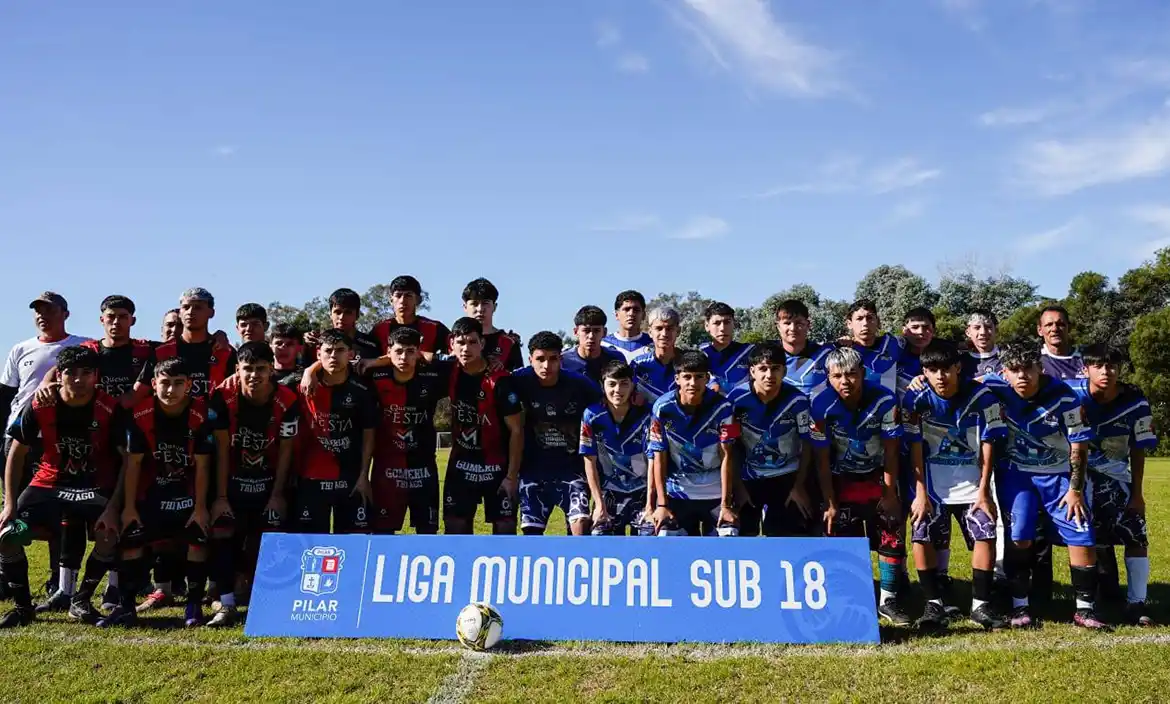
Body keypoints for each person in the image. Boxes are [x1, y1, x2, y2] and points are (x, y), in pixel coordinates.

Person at [983, 343, 1107, 629]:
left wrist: (1075, 488)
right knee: (1020, 535)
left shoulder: (1064, 396)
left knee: (1081, 532)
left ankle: (1085, 609)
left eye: (1028, 368)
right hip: (1016, 474)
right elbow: (961, 383)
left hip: (1060, 473)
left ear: (1040, 368)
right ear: (1005, 373)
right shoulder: (995, 387)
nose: (1022, 376)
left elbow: (1079, 445)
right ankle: (1019, 606)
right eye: (1014, 370)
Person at [0, 347, 125, 628]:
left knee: (109, 534)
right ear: (60, 374)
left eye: (86, 373)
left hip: (92, 487)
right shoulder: (40, 403)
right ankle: (23, 607)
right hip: (49, 484)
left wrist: (115, 508)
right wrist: (10, 504)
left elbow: (129, 461)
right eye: (70, 373)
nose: (78, 379)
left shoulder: (110, 407)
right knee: (8, 535)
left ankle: (80, 600)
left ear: (96, 376)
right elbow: (16, 454)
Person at [902, 341, 1007, 631]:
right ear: (924, 371)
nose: (940, 376)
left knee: (985, 532)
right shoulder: (916, 398)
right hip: (933, 485)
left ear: (958, 368)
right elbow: (914, 446)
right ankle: (933, 603)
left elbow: (988, 445)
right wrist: (920, 492)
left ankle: (981, 605)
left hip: (973, 484)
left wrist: (985, 491)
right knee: (921, 533)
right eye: (932, 370)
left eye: (946, 369)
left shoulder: (983, 397)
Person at [102, 358, 214, 628]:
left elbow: (202, 466)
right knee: (130, 535)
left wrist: (200, 507)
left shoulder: (202, 414)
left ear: (189, 385)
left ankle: (194, 603)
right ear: (153, 384)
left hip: (187, 493)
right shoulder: (141, 414)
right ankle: (127, 606)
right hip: (151, 493)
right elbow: (133, 464)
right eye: (165, 383)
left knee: (198, 536)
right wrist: (128, 507)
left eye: (178, 384)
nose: (171, 390)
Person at [810, 347, 910, 626]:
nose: (845, 381)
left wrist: (890, 493)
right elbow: (822, 459)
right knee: (844, 540)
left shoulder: (885, 400)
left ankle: (889, 600)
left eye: (852, 374)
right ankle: (852, 598)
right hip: (841, 478)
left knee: (890, 535)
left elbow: (891, 451)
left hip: (878, 475)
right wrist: (830, 502)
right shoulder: (820, 406)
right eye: (838, 376)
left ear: (863, 373)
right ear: (828, 378)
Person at [0, 292, 88, 603]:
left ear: (65, 313)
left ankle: (58, 579)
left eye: (49, 310)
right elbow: (6, 394)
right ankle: (7, 578)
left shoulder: (81, 346)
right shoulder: (20, 348)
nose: (43, 315)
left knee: (60, 511)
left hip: (56, 439)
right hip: (19, 436)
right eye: (38, 311)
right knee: (14, 510)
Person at [207, 341, 299, 627]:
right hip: (231, 478)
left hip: (269, 480)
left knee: (270, 538)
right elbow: (222, 449)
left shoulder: (288, 399)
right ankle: (226, 602)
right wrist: (221, 496)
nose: (254, 375)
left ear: (271, 370)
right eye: (247, 369)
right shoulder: (222, 396)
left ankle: (265, 597)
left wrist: (278, 495)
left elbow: (286, 450)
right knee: (223, 532)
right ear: (237, 370)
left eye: (261, 369)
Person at [1071, 343, 1158, 626]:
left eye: (1111, 366)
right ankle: (1087, 601)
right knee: (1085, 536)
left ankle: (1136, 602)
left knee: (1136, 536)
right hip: (1077, 480)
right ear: (1085, 369)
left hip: (1118, 479)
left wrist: (1137, 493)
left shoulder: (1135, 402)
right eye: (1098, 365)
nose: (1106, 371)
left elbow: (1138, 448)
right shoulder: (1070, 395)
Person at [443, 317, 524, 535]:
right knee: (455, 531)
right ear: (451, 344)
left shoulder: (501, 381)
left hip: (496, 468)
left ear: (482, 344)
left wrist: (511, 477)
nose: (466, 348)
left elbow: (517, 430)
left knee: (505, 532)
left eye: (472, 342)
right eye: (460, 342)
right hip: (461, 466)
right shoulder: (447, 371)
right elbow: (412, 357)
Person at [513, 332, 600, 536]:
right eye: (540, 359)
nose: (546, 366)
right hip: (533, 471)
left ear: (561, 359)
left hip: (572, 470)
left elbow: (605, 409)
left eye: (553, 359)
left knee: (580, 529)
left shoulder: (581, 384)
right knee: (531, 534)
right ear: (530, 360)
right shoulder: (518, 380)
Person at [647, 350, 740, 537]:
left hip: (715, 492)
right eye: (687, 377)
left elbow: (728, 455)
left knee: (728, 535)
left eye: (699, 377)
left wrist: (726, 505)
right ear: (677, 379)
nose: (693, 383)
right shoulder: (661, 408)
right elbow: (658, 457)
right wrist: (662, 504)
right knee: (666, 539)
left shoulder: (724, 408)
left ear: (707, 378)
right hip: (678, 492)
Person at [293, 329, 376, 535]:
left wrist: (364, 476)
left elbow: (369, 434)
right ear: (318, 354)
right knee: (311, 546)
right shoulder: (300, 385)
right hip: (311, 480)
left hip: (350, 479)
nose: (333, 356)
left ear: (350, 354)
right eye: (328, 351)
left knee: (353, 546)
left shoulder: (363, 390)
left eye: (340, 350)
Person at [728, 343, 815, 537]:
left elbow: (808, 444)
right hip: (749, 477)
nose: (769, 375)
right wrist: (738, 488)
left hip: (787, 476)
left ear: (784, 371)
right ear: (752, 371)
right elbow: (729, 447)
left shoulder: (798, 401)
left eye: (775, 369)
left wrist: (799, 486)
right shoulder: (736, 400)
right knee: (743, 539)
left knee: (785, 537)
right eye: (763, 369)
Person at [367, 327, 447, 536]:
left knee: (427, 532)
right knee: (382, 533)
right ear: (388, 351)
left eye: (410, 351)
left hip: (424, 469)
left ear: (418, 352)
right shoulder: (374, 377)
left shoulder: (432, 377)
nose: (404, 357)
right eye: (399, 351)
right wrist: (310, 371)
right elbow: (337, 363)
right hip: (386, 469)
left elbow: (459, 361)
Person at [580, 361, 654, 536]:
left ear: (633, 385)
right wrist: (599, 505)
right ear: (602, 385)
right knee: (600, 538)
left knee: (648, 539)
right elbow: (589, 460)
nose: (618, 390)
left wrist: (652, 504)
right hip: (609, 492)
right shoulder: (591, 415)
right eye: (612, 384)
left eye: (624, 384)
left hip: (642, 491)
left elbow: (654, 460)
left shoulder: (648, 415)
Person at [136, 288, 237, 403]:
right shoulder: (162, 352)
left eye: (198, 307)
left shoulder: (225, 351)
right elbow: (137, 394)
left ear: (211, 313)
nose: (190, 312)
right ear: (180, 312)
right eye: (186, 307)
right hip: (173, 420)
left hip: (215, 419)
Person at [370, 275, 450, 359]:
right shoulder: (379, 330)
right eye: (398, 295)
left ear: (418, 300)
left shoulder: (434, 328)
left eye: (408, 295)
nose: (402, 301)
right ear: (391, 300)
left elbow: (455, 355)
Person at [302, 288, 383, 366]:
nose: (341, 317)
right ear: (330, 314)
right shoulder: (316, 342)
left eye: (348, 312)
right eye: (337, 312)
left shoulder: (371, 345)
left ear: (357, 315)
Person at [462, 278, 523, 371]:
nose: (480, 309)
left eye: (485, 303)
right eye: (474, 303)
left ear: (494, 307)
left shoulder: (508, 343)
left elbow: (518, 380)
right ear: (465, 307)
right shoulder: (455, 341)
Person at [774, 299, 831, 397]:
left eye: (798, 323)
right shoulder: (766, 355)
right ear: (778, 326)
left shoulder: (826, 354)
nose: (792, 328)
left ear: (808, 325)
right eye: (787, 323)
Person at [846, 299, 904, 394]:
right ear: (849, 324)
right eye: (859, 319)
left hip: (889, 407)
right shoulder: (843, 352)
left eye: (869, 318)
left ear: (878, 321)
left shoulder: (894, 344)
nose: (865, 323)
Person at [630, 306, 681, 404]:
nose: (664, 334)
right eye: (659, 328)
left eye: (669, 328)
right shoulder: (637, 364)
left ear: (678, 331)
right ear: (650, 332)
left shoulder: (689, 363)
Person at [561, 305, 624, 385]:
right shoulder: (564, 361)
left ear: (604, 332)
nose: (591, 336)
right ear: (576, 332)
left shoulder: (616, 358)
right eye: (586, 331)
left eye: (596, 331)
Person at [700, 302, 753, 393]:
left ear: (734, 324)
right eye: (717, 323)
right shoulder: (701, 354)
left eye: (727, 322)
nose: (722, 328)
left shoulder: (749, 352)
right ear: (707, 326)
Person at [601, 290, 653, 362]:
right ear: (617, 315)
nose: (631, 313)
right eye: (626, 309)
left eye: (636, 310)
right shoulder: (603, 344)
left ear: (643, 315)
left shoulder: (653, 344)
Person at [1037, 305, 1085, 381]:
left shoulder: (1087, 358)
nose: (1055, 329)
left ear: (1069, 328)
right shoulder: (1033, 361)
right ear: (1040, 330)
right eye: (1049, 325)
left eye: (1060, 324)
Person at [897, 307, 936, 396]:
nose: (920, 332)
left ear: (933, 330)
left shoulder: (945, 355)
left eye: (926, 327)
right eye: (915, 327)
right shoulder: (893, 353)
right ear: (904, 330)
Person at [962, 309, 1001, 380]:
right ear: (968, 332)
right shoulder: (960, 362)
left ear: (996, 330)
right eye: (977, 328)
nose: (983, 332)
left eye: (988, 327)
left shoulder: (1008, 356)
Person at [269, 323, 305, 388]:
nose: (283, 347)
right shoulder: (263, 375)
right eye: (278, 343)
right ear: (270, 346)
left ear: (300, 348)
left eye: (290, 344)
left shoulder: (306, 377)